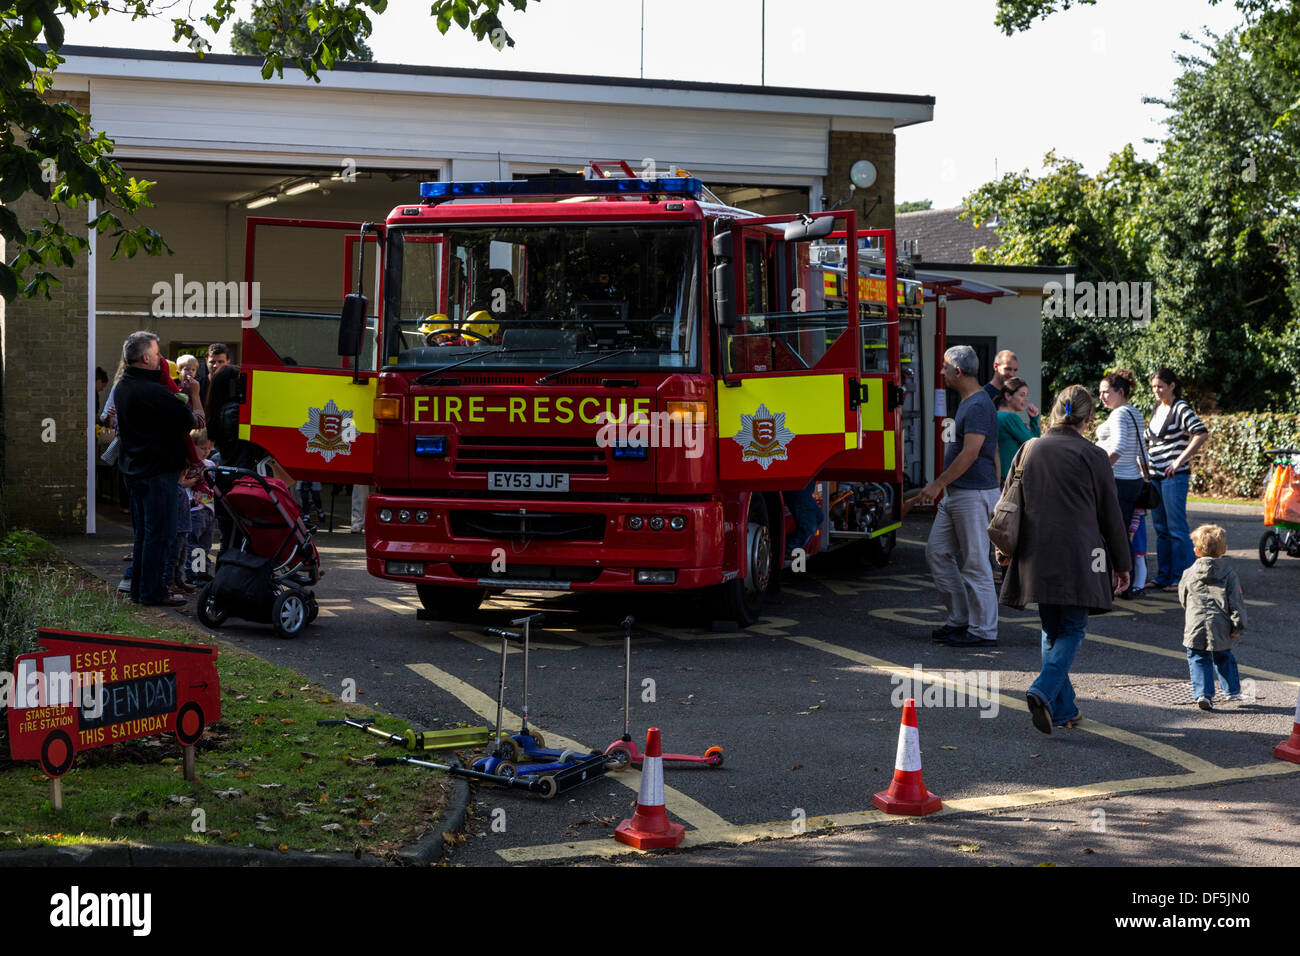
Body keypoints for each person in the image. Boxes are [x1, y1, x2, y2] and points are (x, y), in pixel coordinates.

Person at [996, 384, 1131, 734]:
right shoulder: (1094, 456)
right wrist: (1122, 564)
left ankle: (1063, 709)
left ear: (1055, 411)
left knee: (1051, 630)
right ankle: (1043, 689)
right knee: (1072, 629)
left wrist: (1005, 549)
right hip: (1080, 556)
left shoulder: (1029, 449)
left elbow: (1007, 499)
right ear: (1087, 419)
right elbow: (1110, 515)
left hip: (1033, 554)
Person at [916, 345, 1000, 648]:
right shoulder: (971, 401)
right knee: (937, 553)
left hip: (972, 495)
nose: (941, 372)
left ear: (958, 371)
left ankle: (983, 631)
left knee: (976, 564)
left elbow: (971, 453)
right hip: (960, 494)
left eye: (944, 367)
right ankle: (960, 620)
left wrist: (937, 484)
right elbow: (993, 453)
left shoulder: (977, 405)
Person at [113, 331, 197, 607]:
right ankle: (152, 591)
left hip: (134, 470)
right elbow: (186, 419)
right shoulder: (152, 391)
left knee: (144, 534)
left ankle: (140, 589)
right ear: (147, 358)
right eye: (158, 353)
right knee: (160, 533)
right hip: (158, 472)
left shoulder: (125, 386)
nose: (162, 359)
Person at [1146, 368, 1210, 591]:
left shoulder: (1180, 408)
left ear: (1172, 386)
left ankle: (1182, 577)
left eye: (1160, 386)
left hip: (1173, 476)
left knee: (1176, 528)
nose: (1156, 390)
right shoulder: (1156, 408)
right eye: (1154, 387)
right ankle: (1164, 576)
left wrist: (1179, 460)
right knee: (1161, 528)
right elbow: (1150, 439)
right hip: (1155, 475)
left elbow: (1201, 432)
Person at [1178, 524, 1246, 710]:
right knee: (1224, 655)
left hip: (1195, 622)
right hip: (1221, 624)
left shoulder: (1188, 573)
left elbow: (1183, 598)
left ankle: (1203, 694)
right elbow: (1235, 602)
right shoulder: (1229, 574)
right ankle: (1232, 690)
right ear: (1224, 550)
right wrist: (1238, 626)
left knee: (1198, 657)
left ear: (1196, 551)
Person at [1095, 370, 1146, 597]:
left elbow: (1119, 446)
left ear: (1120, 392)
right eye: (1100, 393)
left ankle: (1116, 582)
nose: (1102, 397)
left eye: (1106, 392)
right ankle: (1127, 580)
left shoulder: (1118, 415)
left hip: (1117, 480)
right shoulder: (1135, 413)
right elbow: (1143, 450)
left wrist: (1098, 470)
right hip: (1132, 480)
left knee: (1112, 532)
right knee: (1123, 532)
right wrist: (1144, 475)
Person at [995, 376, 1040, 483]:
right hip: (1009, 479)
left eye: (1026, 395)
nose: (1026, 399)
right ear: (1008, 396)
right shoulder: (1009, 417)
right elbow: (1034, 445)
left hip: (1000, 478)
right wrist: (1034, 421)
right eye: (1022, 395)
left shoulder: (997, 415)